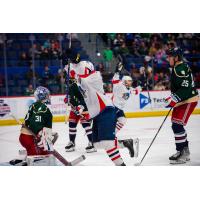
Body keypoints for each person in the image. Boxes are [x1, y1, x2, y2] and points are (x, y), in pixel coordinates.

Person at [69, 52, 135, 166]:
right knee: (97, 144)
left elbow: (78, 74)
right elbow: (86, 99)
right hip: (98, 114)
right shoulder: (82, 83)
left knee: (107, 143)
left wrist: (73, 60)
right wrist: (81, 108)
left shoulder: (94, 77)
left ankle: (121, 165)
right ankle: (125, 143)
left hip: (106, 110)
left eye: (81, 69)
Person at [165, 47, 199, 164]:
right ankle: (182, 151)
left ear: (176, 57)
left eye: (170, 56)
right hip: (183, 100)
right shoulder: (179, 67)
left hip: (189, 99)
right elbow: (181, 87)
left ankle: (183, 153)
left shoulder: (180, 68)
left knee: (177, 125)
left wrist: (174, 98)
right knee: (176, 125)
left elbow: (186, 87)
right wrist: (173, 98)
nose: (167, 58)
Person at [13, 86, 58, 165]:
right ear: (43, 96)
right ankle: (27, 161)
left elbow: (28, 122)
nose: (48, 96)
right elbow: (37, 126)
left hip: (23, 137)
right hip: (30, 140)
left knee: (43, 153)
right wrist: (40, 134)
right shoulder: (45, 109)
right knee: (43, 158)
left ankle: (27, 156)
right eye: (47, 95)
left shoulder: (33, 106)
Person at [64, 68, 96, 153]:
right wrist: (68, 99)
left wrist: (80, 107)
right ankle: (72, 142)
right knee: (72, 124)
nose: (68, 81)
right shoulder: (71, 85)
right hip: (74, 108)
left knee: (86, 125)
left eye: (71, 78)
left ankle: (92, 143)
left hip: (84, 108)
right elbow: (72, 95)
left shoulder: (82, 85)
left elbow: (85, 98)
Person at [112, 63, 140, 157]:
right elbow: (115, 81)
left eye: (131, 81)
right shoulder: (120, 86)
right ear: (124, 81)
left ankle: (113, 134)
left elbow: (134, 90)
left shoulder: (127, 87)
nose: (130, 82)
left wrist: (141, 85)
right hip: (113, 108)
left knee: (123, 120)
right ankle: (111, 135)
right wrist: (117, 71)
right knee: (113, 124)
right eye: (129, 81)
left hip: (119, 109)